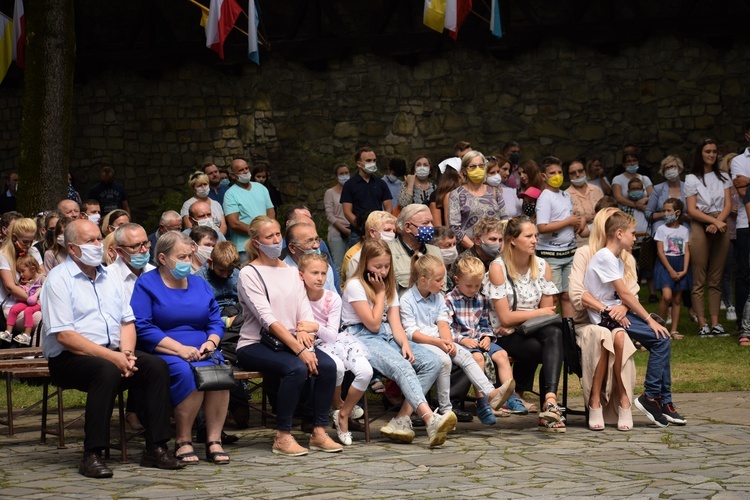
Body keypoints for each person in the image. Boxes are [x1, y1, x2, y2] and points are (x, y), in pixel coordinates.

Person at [41, 219, 182, 478]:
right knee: (105, 371)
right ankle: (92, 454)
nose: (98, 245)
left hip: (115, 351)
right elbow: (65, 336)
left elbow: (127, 321)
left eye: (98, 238)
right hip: (69, 358)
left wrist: (126, 355)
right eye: (90, 241)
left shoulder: (109, 277)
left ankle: (156, 447)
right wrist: (114, 358)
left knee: (155, 366)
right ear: (72, 249)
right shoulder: (58, 280)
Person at [235, 216, 342, 456]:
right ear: (256, 242)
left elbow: (303, 309)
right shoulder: (249, 273)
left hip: (292, 341)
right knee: (297, 368)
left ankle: (319, 431)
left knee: (328, 365)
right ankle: (283, 436)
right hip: (256, 343)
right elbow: (267, 319)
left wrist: (305, 336)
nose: (275, 240)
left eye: (277, 235)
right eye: (269, 236)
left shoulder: (292, 272)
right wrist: (300, 349)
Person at [341, 238, 456, 447]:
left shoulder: (387, 284)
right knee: (403, 367)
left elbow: (394, 322)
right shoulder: (355, 286)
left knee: (432, 362)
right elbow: (373, 324)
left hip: (387, 335)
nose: (383, 271)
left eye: (386, 266)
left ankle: (400, 420)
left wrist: (404, 343)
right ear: (365, 263)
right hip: (361, 336)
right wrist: (380, 293)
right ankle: (430, 419)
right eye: (378, 266)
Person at [130, 230, 231, 465]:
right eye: (182, 257)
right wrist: (179, 349)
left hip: (202, 348)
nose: (187, 262)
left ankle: (214, 439)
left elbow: (215, 320)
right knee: (188, 372)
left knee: (219, 373)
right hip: (165, 349)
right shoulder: (147, 284)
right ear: (163, 258)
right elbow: (143, 326)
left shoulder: (199, 284)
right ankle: (183, 439)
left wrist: (211, 342)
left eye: (189, 256)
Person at [583, 211, 684, 428]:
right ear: (619, 233)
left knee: (662, 337)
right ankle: (651, 398)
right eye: (632, 233)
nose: (635, 237)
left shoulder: (616, 260)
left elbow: (622, 297)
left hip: (618, 314)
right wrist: (649, 319)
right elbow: (625, 293)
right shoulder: (604, 257)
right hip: (606, 319)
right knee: (660, 337)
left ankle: (661, 400)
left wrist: (627, 308)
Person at [484, 216, 566, 432]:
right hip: (505, 334)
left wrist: (532, 315)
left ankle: (549, 400)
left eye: (535, 236)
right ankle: (548, 407)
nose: (534, 241)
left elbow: (548, 316)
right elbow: (505, 318)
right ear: (512, 240)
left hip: (534, 331)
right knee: (551, 344)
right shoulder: (498, 268)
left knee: (554, 333)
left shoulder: (541, 265)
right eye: (528, 236)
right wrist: (536, 312)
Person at [569, 207, 638, 431]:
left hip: (616, 320)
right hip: (587, 322)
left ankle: (624, 402)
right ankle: (595, 400)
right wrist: (607, 309)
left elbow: (632, 291)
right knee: (601, 334)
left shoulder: (626, 258)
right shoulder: (585, 253)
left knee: (619, 336)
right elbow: (577, 294)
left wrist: (624, 307)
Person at [299, 253, 371, 446]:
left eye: (323, 273)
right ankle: (340, 407)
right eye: (314, 273)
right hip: (315, 346)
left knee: (366, 371)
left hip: (335, 341)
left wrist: (314, 327)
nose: (320, 278)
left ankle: (343, 412)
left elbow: (331, 334)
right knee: (336, 367)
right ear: (301, 274)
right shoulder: (297, 297)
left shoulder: (332, 298)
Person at [440, 255, 516, 425]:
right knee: (478, 358)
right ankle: (482, 404)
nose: (473, 289)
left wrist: (487, 337)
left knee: (502, 354)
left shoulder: (481, 299)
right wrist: (463, 340)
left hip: (478, 340)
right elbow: (446, 328)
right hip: (462, 344)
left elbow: (484, 323)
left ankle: (510, 397)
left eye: (477, 285)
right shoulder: (449, 300)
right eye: (468, 285)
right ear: (457, 280)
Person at [685, 138, 732, 337]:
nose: (711, 155)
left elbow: (729, 204)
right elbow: (691, 209)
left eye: (714, 151)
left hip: (720, 223)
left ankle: (715, 322)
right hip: (700, 224)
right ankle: (702, 323)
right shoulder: (691, 178)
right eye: (707, 151)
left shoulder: (723, 177)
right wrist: (711, 222)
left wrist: (719, 222)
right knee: (699, 276)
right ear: (700, 154)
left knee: (716, 276)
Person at [536, 156, 582, 318]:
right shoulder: (545, 197)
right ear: (544, 176)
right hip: (551, 255)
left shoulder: (565, 195)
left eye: (560, 172)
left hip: (569, 252)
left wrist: (575, 223)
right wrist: (567, 221)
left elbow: (567, 219)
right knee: (552, 296)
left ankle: (568, 331)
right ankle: (552, 331)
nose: (557, 175)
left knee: (568, 295)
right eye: (552, 173)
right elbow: (542, 227)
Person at [448, 151, 508, 250]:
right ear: (464, 171)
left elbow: (505, 220)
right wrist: (477, 250)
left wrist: (502, 246)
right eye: (473, 166)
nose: (478, 169)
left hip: (496, 250)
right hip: (470, 253)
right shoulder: (456, 195)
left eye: (481, 166)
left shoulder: (494, 192)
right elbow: (455, 228)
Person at [223, 158, 275, 261]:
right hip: (244, 247)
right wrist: (258, 232)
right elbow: (234, 223)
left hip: (266, 244)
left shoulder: (261, 188)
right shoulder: (230, 194)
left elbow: (271, 212)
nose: (245, 172)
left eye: (246, 168)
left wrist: (268, 230)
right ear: (233, 175)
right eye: (241, 170)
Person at [340, 147, 393, 248]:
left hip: (379, 232)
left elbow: (389, 208)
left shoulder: (381, 183)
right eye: (368, 160)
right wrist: (362, 227)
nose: (372, 163)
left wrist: (383, 224)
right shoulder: (349, 185)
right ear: (359, 164)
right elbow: (347, 212)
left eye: (374, 160)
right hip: (358, 234)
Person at [653, 199, 691, 339]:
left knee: (676, 299)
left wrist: (685, 269)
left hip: (680, 263)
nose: (665, 213)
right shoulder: (661, 229)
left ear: (677, 212)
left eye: (668, 211)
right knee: (667, 296)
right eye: (664, 210)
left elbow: (687, 251)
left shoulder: (684, 230)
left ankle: (673, 330)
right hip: (665, 264)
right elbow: (660, 252)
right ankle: (660, 327)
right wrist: (670, 270)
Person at [1, 218, 44, 336]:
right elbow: (10, 287)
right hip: (12, 306)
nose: (29, 245)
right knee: (42, 320)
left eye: (31, 241)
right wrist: (33, 299)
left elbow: (42, 276)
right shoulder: (3, 255)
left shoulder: (33, 251)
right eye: (25, 242)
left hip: (34, 302)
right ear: (14, 237)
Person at [388, 204, 443, 296]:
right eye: (425, 223)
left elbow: (442, 290)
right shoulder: (387, 252)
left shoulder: (435, 251)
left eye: (431, 222)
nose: (431, 227)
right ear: (407, 227)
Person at [283, 221, 337, 294]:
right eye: (309, 241)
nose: (316, 246)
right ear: (292, 248)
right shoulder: (282, 273)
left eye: (316, 240)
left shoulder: (325, 267)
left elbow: (333, 298)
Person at [0, 254, 44, 345]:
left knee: (28, 311)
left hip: (37, 303)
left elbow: (46, 289)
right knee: (14, 308)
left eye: (23, 271)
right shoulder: (29, 280)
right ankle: (8, 332)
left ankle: (27, 335)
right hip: (28, 301)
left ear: (32, 269)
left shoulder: (42, 278)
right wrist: (25, 286)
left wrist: (38, 296)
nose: (21, 274)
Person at [342, 210, 397, 282]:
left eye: (394, 231)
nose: (392, 234)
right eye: (387, 230)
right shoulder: (357, 259)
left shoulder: (395, 253)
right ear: (372, 232)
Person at [731, 141, 750, 332]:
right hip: (746, 224)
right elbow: (744, 193)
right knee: (744, 273)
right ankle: (742, 324)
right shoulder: (738, 161)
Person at [565, 157, 602, 246]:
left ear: (585, 171)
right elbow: (568, 222)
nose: (577, 175)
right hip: (580, 243)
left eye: (580, 171)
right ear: (569, 176)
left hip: (601, 239)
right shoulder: (566, 195)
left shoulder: (596, 190)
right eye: (573, 173)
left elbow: (605, 211)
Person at [324, 163, 352, 275]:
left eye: (346, 173)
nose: (344, 175)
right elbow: (330, 215)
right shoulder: (330, 193)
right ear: (336, 176)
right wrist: (344, 230)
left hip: (352, 231)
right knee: (338, 266)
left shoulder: (352, 191)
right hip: (337, 233)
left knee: (351, 265)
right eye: (341, 173)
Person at [195, 241, 240, 309]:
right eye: (221, 270)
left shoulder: (238, 273)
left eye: (230, 270)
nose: (225, 275)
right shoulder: (198, 279)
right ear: (210, 262)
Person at [180, 172, 227, 236]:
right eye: (199, 185)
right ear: (193, 189)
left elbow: (223, 226)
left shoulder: (216, 204)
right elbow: (189, 226)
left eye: (205, 184)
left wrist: (217, 238)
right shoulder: (188, 205)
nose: (203, 187)